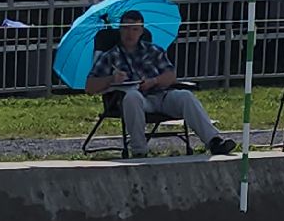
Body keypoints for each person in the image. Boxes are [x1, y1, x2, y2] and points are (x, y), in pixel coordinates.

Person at [85, 9, 237, 157]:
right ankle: (139, 150)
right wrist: (111, 79)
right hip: (133, 100)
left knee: (185, 96)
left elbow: (170, 76)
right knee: (132, 96)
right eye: (126, 28)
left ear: (141, 31)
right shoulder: (110, 56)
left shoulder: (154, 51)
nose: (129, 33)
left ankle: (214, 141)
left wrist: (154, 81)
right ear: (120, 30)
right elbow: (89, 87)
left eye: (134, 29)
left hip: (160, 95)